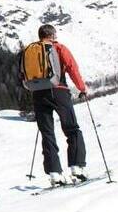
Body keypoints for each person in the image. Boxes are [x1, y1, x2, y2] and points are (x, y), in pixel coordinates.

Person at [31, 24, 89, 185]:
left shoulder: (31, 51)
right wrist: (82, 88)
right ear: (52, 35)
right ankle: (77, 168)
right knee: (72, 129)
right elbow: (72, 67)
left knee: (47, 133)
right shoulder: (59, 48)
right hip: (59, 91)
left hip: (38, 94)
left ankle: (54, 173)